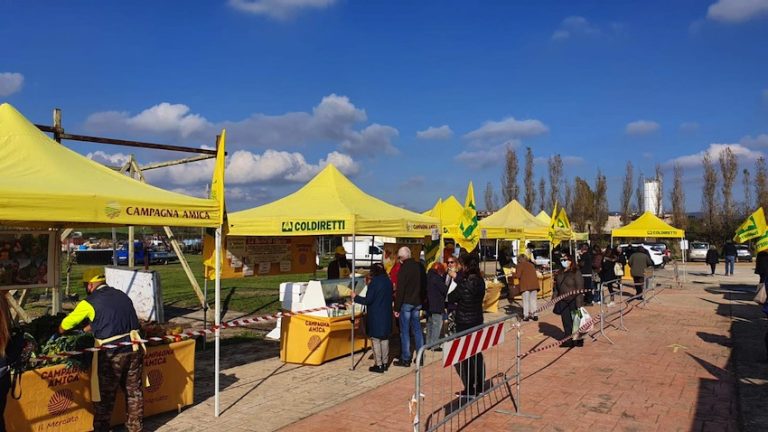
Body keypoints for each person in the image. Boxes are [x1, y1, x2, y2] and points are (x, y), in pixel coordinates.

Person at [58, 268, 144, 432]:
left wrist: (60, 330)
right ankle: (136, 428)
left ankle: (101, 429)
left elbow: (66, 324)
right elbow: (111, 317)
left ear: (90, 285)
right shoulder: (121, 295)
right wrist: (89, 328)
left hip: (112, 354)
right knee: (134, 392)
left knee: (105, 396)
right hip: (134, 347)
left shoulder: (89, 302)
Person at [447, 253, 486, 397]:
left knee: (466, 355)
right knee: (477, 353)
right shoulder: (481, 281)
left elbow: (452, 297)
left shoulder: (464, 282)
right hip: (477, 319)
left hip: (464, 320)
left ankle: (470, 388)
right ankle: (480, 385)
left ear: (466, 266)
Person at [351, 263, 393, 373]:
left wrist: (356, 297)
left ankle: (378, 364)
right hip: (387, 314)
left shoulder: (374, 283)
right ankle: (385, 363)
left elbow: (368, 300)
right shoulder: (388, 281)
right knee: (384, 339)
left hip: (376, 315)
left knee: (375, 340)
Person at [393, 247, 426, 367]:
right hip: (417, 302)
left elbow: (400, 290)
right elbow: (424, 285)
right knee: (417, 330)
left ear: (402, 258)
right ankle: (421, 356)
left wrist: (396, 308)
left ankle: (406, 358)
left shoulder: (403, 269)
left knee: (405, 332)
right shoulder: (420, 266)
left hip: (406, 303)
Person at [553, 252, 585, 347]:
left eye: (566, 260)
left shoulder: (576, 272)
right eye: (562, 260)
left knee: (577, 320)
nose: (564, 262)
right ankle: (568, 339)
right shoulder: (559, 273)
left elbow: (580, 288)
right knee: (566, 320)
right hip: (563, 301)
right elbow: (557, 288)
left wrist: (579, 303)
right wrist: (554, 297)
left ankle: (578, 338)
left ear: (571, 261)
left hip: (575, 300)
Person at [425, 262, 448, 348]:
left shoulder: (427, 276)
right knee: (436, 325)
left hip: (428, 305)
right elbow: (445, 289)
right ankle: (434, 345)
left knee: (429, 325)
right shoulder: (437, 278)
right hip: (436, 305)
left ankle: (428, 343)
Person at [514, 255, 539, 321]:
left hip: (525, 286)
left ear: (519, 260)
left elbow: (517, 275)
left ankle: (526, 316)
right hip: (534, 285)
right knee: (533, 300)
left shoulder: (519, 265)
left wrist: (512, 273)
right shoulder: (531, 265)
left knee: (525, 301)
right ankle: (535, 315)